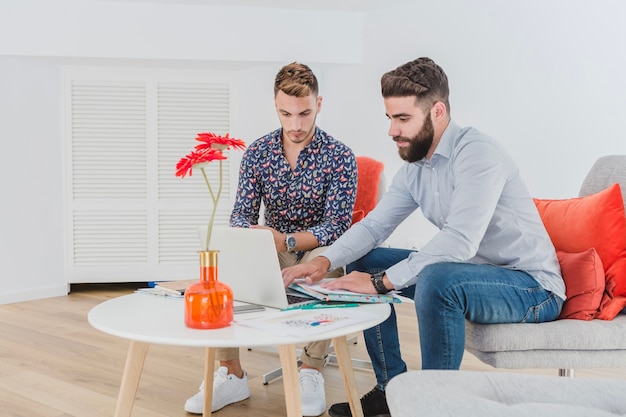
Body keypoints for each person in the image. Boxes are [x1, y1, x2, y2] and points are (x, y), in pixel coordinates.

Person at [281, 57, 566, 417]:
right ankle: (390, 390)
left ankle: (436, 403)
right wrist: (323, 260)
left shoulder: (478, 155)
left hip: (531, 288)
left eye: (403, 119)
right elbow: (374, 227)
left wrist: (382, 283)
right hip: (470, 275)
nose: (392, 131)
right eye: (390, 118)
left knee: (436, 276)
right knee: (367, 259)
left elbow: (460, 241)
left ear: (438, 112)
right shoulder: (417, 166)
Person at [184, 62, 358, 416]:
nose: (295, 124)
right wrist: (253, 237)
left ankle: (310, 368)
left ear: (319, 104)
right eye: (286, 113)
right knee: (227, 259)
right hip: (271, 250)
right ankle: (230, 373)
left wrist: (288, 241)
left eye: (304, 113)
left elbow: (337, 226)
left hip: (312, 250)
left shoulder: (340, 156)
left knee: (327, 260)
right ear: (275, 106)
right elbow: (241, 216)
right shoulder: (258, 153)